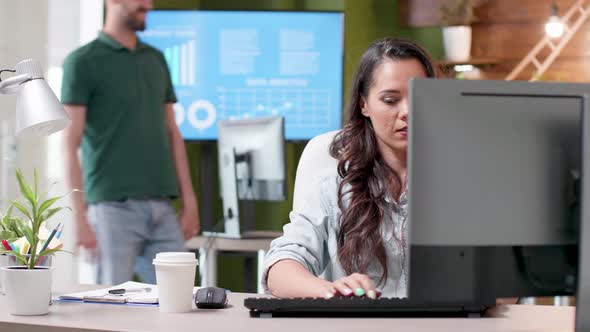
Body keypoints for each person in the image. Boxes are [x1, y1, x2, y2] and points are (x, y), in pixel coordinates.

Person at [264, 37, 436, 299]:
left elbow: (507, 279)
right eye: (390, 100)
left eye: (419, 97)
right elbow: (281, 266)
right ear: (363, 105)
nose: (407, 112)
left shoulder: (463, 182)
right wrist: (330, 289)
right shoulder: (334, 187)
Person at [61, 0, 200, 285]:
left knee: (180, 304)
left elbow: (173, 132)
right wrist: (80, 218)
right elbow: (69, 143)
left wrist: (190, 201)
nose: (148, 5)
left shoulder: (156, 59)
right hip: (111, 210)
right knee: (109, 315)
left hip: (162, 208)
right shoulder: (82, 62)